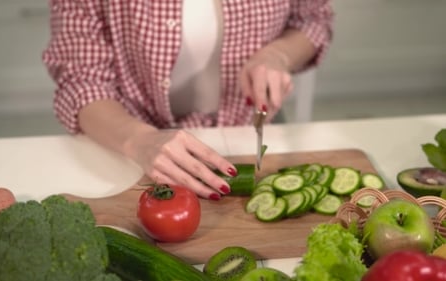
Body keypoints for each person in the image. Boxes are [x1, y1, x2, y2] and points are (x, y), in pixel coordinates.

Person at [42, 0, 333, 200]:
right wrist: (138, 140)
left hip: (248, 128)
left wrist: (278, 55)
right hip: (125, 146)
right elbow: (82, 78)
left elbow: (313, 18)